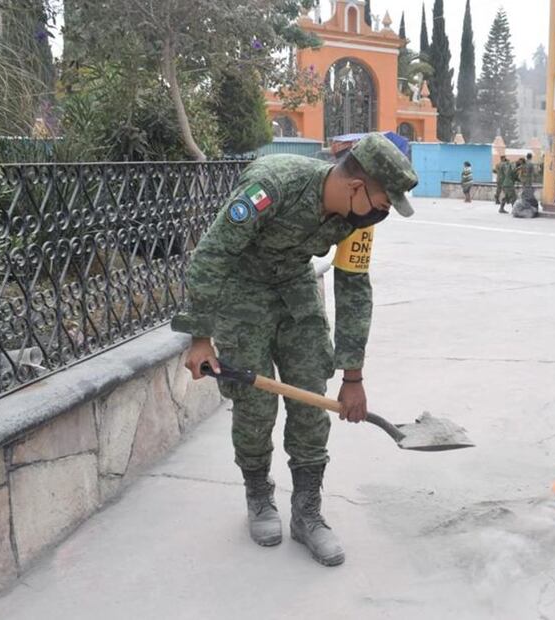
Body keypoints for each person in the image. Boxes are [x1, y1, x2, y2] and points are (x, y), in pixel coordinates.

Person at [171, 133, 417, 567]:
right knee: (255, 406)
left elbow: (355, 290)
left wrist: (353, 378)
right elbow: (211, 256)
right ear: (358, 187)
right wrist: (200, 336)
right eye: (384, 202)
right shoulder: (272, 185)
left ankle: (307, 513)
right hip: (242, 288)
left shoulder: (358, 221)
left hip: (295, 286)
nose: (384, 213)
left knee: (310, 400)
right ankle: (259, 496)